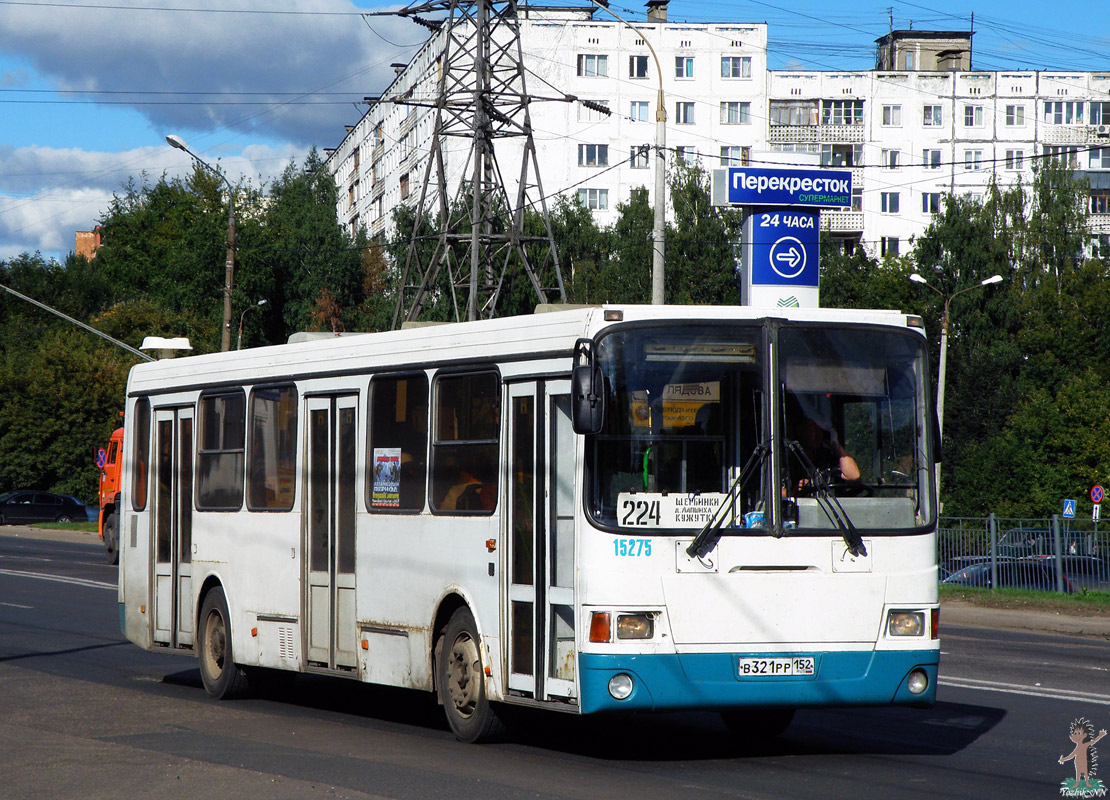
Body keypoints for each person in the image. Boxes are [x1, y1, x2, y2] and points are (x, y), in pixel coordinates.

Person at [785, 394, 860, 492]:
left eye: (820, 430)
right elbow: (771, 492)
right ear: (800, 430)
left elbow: (853, 475)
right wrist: (794, 491)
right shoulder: (787, 458)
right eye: (811, 428)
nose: (816, 434)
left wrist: (836, 445)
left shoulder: (825, 458)